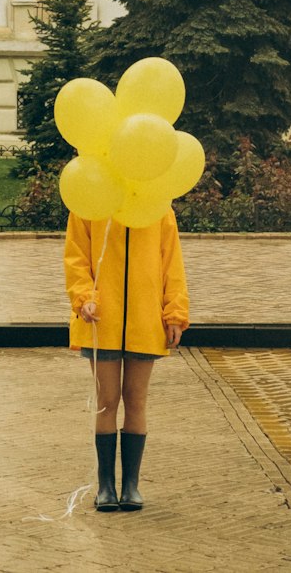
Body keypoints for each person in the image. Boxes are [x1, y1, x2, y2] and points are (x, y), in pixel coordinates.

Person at [64, 209, 189, 512]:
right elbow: (76, 257)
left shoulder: (158, 207)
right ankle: (106, 485)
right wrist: (84, 298)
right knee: (107, 400)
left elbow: (172, 263)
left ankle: (131, 485)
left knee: (136, 399)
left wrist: (174, 313)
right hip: (100, 322)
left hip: (145, 320)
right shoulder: (88, 204)